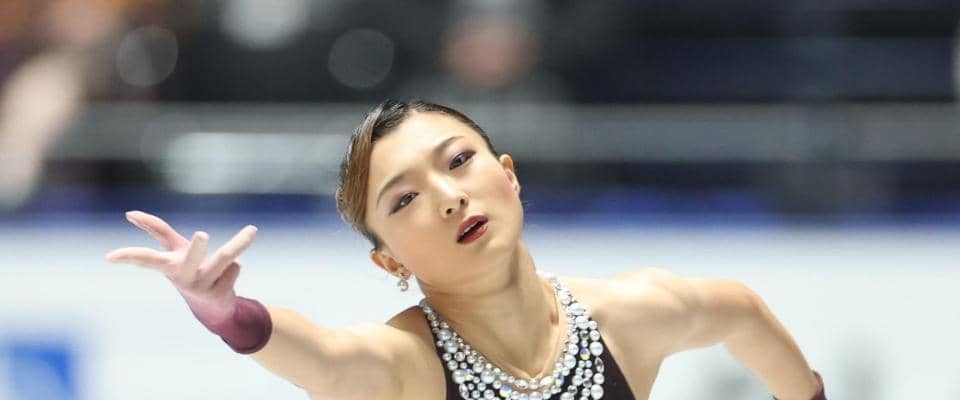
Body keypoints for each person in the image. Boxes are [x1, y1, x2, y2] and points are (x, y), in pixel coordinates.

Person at [105, 99, 826, 400]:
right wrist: (225, 312)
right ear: (389, 260)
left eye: (458, 162)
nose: (449, 196)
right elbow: (323, 357)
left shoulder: (629, 316)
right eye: (405, 200)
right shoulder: (407, 365)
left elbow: (740, 310)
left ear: (507, 174)